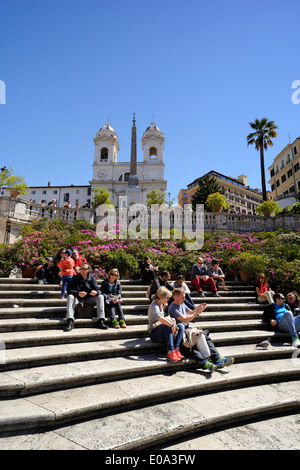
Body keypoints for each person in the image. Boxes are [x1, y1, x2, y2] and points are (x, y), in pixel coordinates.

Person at [168, 288, 234, 372]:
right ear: (176, 297)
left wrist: (199, 308)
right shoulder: (172, 307)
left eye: (184, 297)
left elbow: (191, 312)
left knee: (205, 336)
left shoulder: (182, 304)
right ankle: (206, 363)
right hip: (180, 334)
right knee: (191, 346)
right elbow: (185, 319)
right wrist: (197, 311)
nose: (184, 299)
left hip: (187, 331)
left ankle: (218, 358)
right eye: (182, 297)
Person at [64, 262, 107, 331]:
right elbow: (69, 290)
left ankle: (101, 320)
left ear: (88, 270)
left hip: (89, 298)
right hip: (78, 298)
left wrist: (96, 292)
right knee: (70, 297)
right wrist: (78, 293)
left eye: (84, 269)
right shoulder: (75, 277)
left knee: (100, 296)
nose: (82, 270)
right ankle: (70, 321)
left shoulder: (92, 277)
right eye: (81, 268)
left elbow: (99, 290)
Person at [148, 286, 185, 362]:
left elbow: (163, 316)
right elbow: (160, 318)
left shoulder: (161, 305)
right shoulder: (154, 305)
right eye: (167, 297)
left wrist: (165, 308)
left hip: (161, 331)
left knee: (181, 325)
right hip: (154, 334)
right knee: (167, 325)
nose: (169, 299)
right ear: (162, 297)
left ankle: (176, 349)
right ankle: (170, 351)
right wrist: (171, 325)